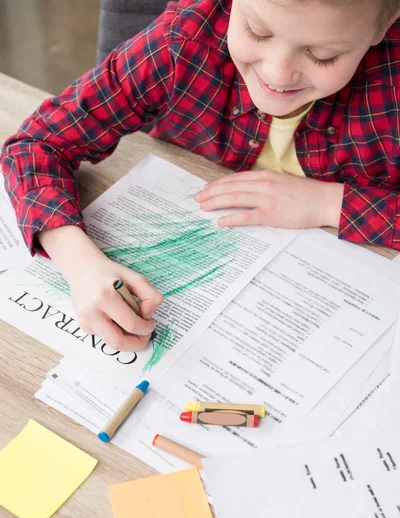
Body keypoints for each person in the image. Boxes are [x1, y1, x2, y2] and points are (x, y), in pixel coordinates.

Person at [2, 0, 400, 352]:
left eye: (324, 55)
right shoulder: (185, 39)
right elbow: (38, 144)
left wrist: (330, 203)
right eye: (257, 31)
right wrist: (77, 261)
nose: (278, 74)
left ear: (385, 24)